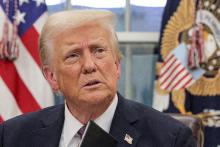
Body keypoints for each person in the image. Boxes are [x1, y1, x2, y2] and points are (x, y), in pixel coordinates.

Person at [0, 10, 196, 147]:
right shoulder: (12, 137)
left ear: (117, 65)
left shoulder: (170, 139)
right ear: (52, 77)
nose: (89, 65)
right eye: (73, 55)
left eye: (99, 51)